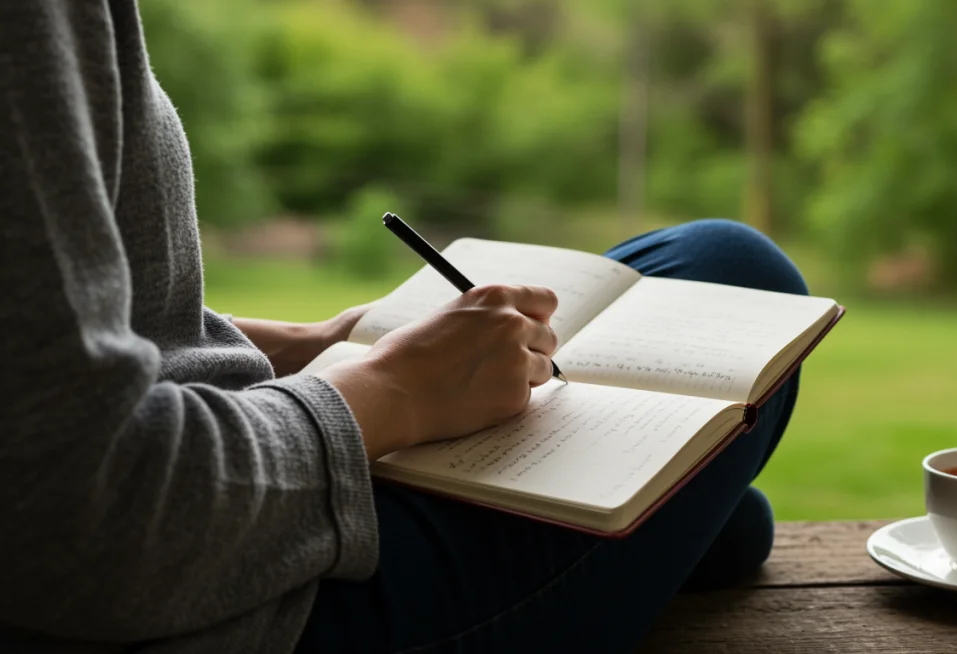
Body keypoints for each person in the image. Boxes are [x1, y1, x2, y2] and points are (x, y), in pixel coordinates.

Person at [0, 2, 810, 653]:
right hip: (233, 609)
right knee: (736, 271)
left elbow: (56, 333)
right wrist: (394, 389)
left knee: (717, 508)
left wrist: (308, 346)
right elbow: (72, 518)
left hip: (226, 504)